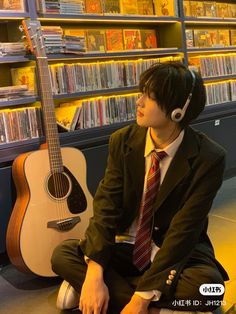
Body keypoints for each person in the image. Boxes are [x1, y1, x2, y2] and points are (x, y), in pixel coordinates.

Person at [51, 61, 229, 314]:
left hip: (170, 250)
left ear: (178, 110)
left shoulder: (209, 157)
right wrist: (93, 273)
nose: (139, 102)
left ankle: (106, 294)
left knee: (211, 292)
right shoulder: (122, 141)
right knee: (63, 253)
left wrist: (140, 299)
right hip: (123, 244)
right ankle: (122, 294)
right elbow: (106, 206)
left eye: (150, 97)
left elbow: (185, 230)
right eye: (141, 93)